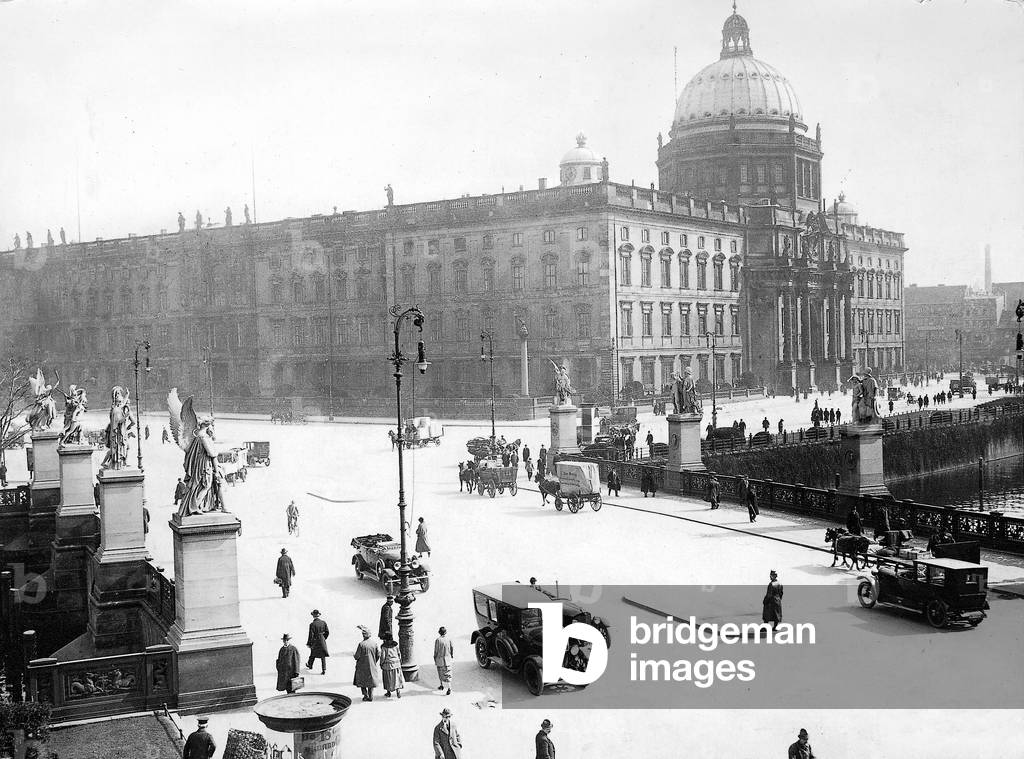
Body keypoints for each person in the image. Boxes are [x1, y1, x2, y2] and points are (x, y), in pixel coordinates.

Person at [353, 625, 382, 701]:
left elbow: (357, 656)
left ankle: (365, 695)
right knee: (371, 681)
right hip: (372, 665)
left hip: (362, 666)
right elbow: (378, 655)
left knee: (362, 681)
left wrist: (354, 655)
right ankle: (371, 695)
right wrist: (374, 661)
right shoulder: (374, 644)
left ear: (363, 635)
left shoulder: (361, 644)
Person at [306, 609, 330, 674]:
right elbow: (327, 632)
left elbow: (311, 635)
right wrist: (323, 638)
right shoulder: (323, 622)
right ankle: (324, 669)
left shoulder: (312, 624)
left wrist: (309, 643)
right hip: (322, 639)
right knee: (323, 655)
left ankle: (310, 665)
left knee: (313, 652)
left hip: (315, 640)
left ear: (313, 616)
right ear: (318, 615)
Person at [434, 626, 454, 695]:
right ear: (445, 632)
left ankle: (441, 685)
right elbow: (452, 647)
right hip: (448, 659)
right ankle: (449, 688)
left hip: (440, 660)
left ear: (439, 633)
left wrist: (435, 658)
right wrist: (451, 655)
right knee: (448, 674)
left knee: (440, 672)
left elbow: (436, 650)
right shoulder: (449, 639)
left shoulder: (438, 640)